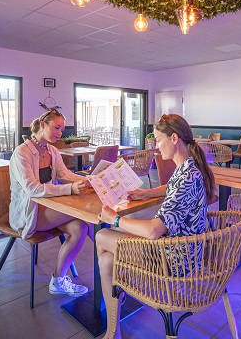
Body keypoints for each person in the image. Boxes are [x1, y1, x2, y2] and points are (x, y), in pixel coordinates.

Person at [96, 114, 216, 339]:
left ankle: (115, 308)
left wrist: (115, 218)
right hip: (183, 249)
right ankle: (113, 328)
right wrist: (145, 193)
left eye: (158, 140)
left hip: (174, 259)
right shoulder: (189, 168)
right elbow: (171, 187)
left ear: (174, 138)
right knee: (106, 261)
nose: (156, 147)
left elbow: (153, 231)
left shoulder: (188, 176)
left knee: (102, 234)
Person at [9, 108, 91, 297]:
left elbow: (64, 174)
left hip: (48, 208)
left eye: (62, 129)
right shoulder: (22, 153)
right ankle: (114, 257)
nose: (60, 133)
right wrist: (70, 189)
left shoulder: (52, 151)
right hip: (27, 213)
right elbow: (32, 189)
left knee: (80, 228)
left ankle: (58, 280)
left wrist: (89, 180)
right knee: (84, 213)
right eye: (56, 128)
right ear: (43, 125)